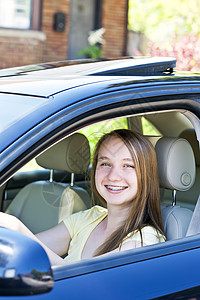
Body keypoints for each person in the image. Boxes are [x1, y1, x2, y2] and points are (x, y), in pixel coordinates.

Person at [0, 129, 165, 266]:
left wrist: (17, 228)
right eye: (105, 164)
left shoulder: (145, 240)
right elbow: (24, 251)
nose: (114, 176)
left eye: (128, 166)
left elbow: (86, 282)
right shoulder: (90, 217)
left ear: (146, 175)